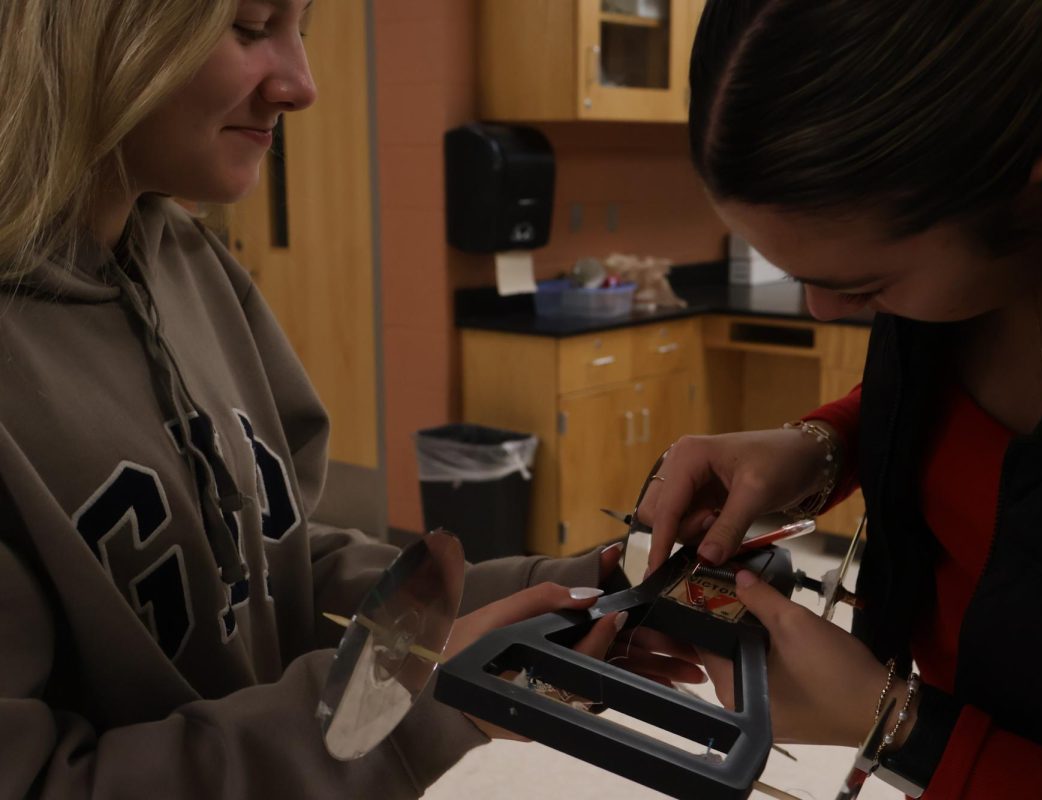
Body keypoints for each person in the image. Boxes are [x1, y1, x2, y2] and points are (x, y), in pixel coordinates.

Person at [0, 1, 701, 797]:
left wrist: (579, 584)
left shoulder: (193, 264)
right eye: (249, 25)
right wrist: (412, 708)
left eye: (304, 29)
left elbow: (279, 565)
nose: (301, 85)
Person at [638, 0, 1042, 797]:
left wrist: (894, 726)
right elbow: (957, 431)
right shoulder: (981, 272)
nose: (822, 313)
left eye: (861, 285)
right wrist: (822, 446)